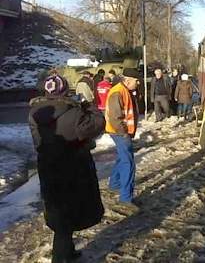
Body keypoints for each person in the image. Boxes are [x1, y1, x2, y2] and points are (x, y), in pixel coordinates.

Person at [29, 74, 105, 263]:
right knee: (68, 216)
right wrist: (89, 106)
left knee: (59, 212)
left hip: (48, 168)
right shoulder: (74, 113)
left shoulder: (34, 114)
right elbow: (97, 124)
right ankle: (61, 258)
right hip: (73, 170)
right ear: (65, 91)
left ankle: (68, 252)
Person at [105, 68, 140, 210]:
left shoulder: (123, 90)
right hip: (119, 133)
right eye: (136, 81)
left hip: (120, 132)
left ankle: (114, 184)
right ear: (127, 80)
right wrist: (124, 133)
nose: (138, 83)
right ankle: (126, 198)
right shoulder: (118, 92)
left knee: (122, 158)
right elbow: (115, 117)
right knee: (128, 163)